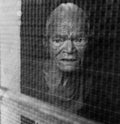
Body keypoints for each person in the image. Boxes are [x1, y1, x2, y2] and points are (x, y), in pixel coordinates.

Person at [22, 2, 120, 124]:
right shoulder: (29, 83)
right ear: (46, 44)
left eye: (79, 40)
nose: (69, 49)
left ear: (88, 42)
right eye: (58, 40)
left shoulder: (99, 91)